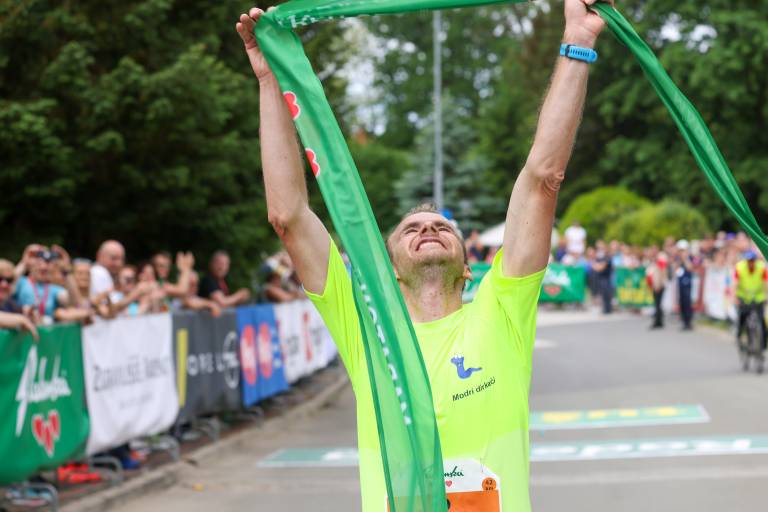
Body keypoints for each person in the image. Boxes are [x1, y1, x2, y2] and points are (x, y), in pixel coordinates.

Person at [238, 1, 607, 510]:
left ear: (469, 267)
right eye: (411, 229)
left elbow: (543, 178)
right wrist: (269, 80)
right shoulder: (368, 332)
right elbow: (289, 217)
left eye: (442, 227)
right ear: (390, 270)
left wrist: (578, 41)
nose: (428, 227)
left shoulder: (502, 310)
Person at [734, 250, 768, 350]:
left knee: (761, 321)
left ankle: (763, 345)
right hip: (744, 297)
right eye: (749, 261)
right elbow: (735, 284)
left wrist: (766, 296)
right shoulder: (740, 267)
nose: (751, 263)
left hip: (758, 298)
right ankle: (739, 337)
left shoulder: (761, 267)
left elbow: (766, 283)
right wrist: (735, 297)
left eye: (752, 261)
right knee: (742, 318)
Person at [0, 259, 38, 339]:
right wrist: (21, 319)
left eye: (9, 280)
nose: (4, 284)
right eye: (0, 279)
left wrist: (29, 314)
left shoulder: (9, 303)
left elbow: (24, 312)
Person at [675, 239, 695, 330]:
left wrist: (685, 258)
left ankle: (688, 321)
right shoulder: (678, 259)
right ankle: (683, 320)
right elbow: (676, 269)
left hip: (687, 283)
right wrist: (680, 260)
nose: (681, 252)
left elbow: (690, 268)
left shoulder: (690, 258)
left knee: (687, 302)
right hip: (680, 283)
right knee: (682, 302)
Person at [646, 247, 668, 329]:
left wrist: (658, 284)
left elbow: (662, 273)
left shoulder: (660, 261)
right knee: (657, 303)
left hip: (658, 285)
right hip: (654, 285)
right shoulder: (652, 262)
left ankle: (657, 321)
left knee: (658, 304)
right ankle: (659, 321)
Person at [593, 240, 613, 314]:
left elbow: (601, 267)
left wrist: (598, 266)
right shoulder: (600, 257)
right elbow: (594, 265)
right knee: (603, 294)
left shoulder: (608, 257)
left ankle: (608, 309)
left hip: (606, 278)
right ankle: (605, 308)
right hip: (601, 278)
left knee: (607, 294)